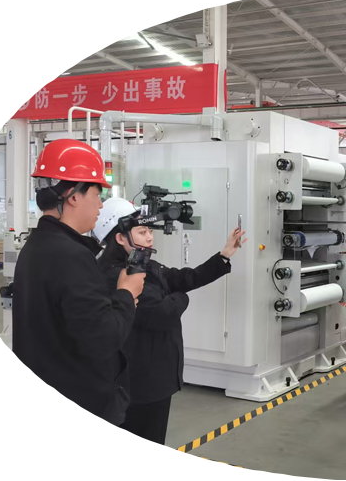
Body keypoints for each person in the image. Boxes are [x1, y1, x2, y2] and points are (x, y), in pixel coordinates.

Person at [13, 139, 146, 480]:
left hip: (43, 420)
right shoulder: (70, 256)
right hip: (79, 432)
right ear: (72, 195)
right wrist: (126, 294)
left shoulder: (36, 248)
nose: (101, 204)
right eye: (97, 193)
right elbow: (104, 338)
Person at [93, 197, 246, 480]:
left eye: (149, 231)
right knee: (139, 459)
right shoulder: (117, 275)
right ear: (119, 238)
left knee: (140, 455)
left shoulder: (142, 265)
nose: (150, 237)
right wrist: (181, 298)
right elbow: (162, 313)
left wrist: (224, 255)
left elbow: (183, 278)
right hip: (142, 385)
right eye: (142, 232)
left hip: (152, 381)